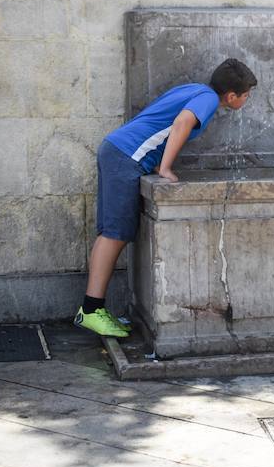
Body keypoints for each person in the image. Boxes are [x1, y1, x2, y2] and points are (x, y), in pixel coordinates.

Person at [75, 58, 257, 337]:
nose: (247, 99)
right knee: (115, 233)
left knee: (112, 232)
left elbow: (162, 120)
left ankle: (92, 309)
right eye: (246, 95)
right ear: (231, 96)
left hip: (118, 149)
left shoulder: (194, 89)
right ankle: (90, 310)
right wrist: (166, 167)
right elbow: (182, 122)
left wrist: (158, 162)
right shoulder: (208, 99)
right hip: (127, 156)